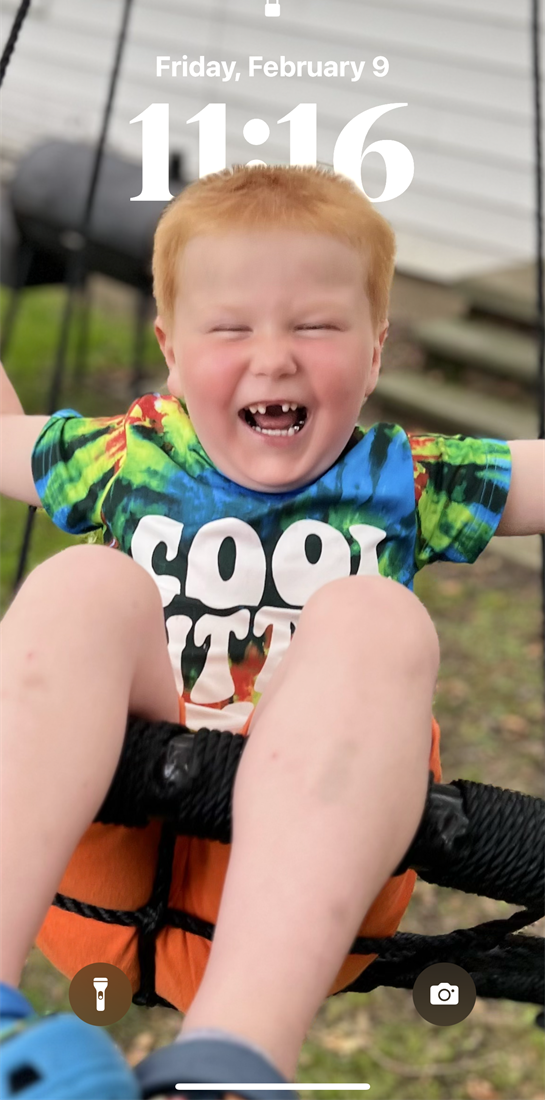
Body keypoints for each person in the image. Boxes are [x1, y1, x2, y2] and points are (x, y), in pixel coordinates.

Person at [0, 165, 542, 1100]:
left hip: (305, 894)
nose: (276, 357)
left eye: (315, 326)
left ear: (374, 353)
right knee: (85, 583)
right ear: (171, 351)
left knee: (372, 616)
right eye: (230, 327)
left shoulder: (408, 477)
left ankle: (231, 1064)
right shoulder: (124, 454)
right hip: (101, 864)